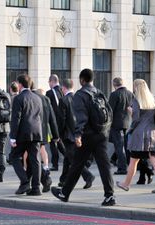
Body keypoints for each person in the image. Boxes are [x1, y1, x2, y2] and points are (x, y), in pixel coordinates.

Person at [51, 68, 116, 206]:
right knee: (104, 166)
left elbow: (81, 117)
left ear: (82, 80)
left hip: (87, 136)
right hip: (102, 134)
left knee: (76, 164)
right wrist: (105, 130)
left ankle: (64, 193)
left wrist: (78, 135)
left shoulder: (80, 95)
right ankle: (109, 196)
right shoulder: (99, 92)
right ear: (92, 80)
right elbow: (109, 112)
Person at [116, 79, 155, 194]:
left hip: (140, 136)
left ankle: (126, 184)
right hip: (153, 133)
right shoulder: (152, 98)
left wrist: (130, 112)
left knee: (133, 161)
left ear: (136, 87)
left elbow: (136, 119)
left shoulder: (136, 100)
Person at [9, 74, 43, 196]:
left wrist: (12, 137)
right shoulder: (38, 98)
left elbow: (16, 119)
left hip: (23, 134)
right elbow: (40, 117)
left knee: (14, 156)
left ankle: (24, 182)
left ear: (20, 84)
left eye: (17, 83)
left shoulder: (18, 98)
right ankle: (36, 188)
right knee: (35, 160)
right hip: (36, 132)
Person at [57, 79, 95, 189]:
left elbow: (61, 119)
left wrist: (58, 134)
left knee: (73, 158)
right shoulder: (80, 98)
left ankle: (88, 176)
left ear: (63, 88)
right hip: (81, 132)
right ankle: (63, 180)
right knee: (68, 157)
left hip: (69, 134)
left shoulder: (63, 100)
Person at [109, 77, 133, 174]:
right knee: (125, 145)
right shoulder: (130, 94)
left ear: (114, 84)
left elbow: (110, 110)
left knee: (119, 146)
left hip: (116, 124)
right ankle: (117, 160)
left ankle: (122, 168)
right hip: (128, 123)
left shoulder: (114, 94)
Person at [46, 74, 65, 171]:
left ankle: (55, 164)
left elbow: (49, 109)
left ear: (51, 81)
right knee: (60, 142)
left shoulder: (50, 93)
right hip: (64, 122)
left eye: (49, 82)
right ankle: (68, 158)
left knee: (54, 143)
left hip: (54, 122)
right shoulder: (63, 90)